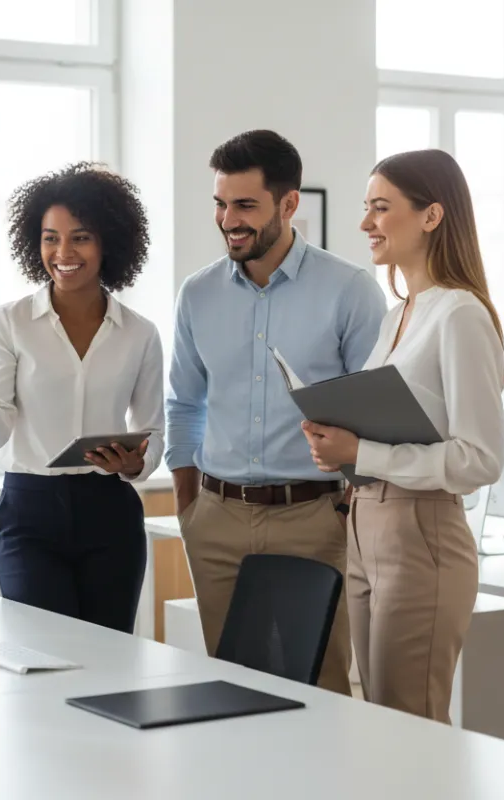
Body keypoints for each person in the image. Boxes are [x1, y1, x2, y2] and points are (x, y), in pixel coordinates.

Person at [166, 130, 387, 695]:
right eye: (220, 203)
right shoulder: (197, 295)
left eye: (245, 205)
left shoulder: (350, 291)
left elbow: (375, 415)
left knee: (323, 685)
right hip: (216, 516)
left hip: (315, 519)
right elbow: (185, 402)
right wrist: (189, 503)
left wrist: (346, 507)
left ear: (289, 204)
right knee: (230, 685)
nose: (228, 219)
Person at [301, 148, 504, 722]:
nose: (366, 224)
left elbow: (481, 459)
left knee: (410, 720)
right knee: (381, 720)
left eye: (381, 208)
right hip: (366, 524)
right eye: (367, 208)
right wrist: (338, 445)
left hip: (422, 531)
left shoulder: (460, 314)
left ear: (431, 216)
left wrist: (361, 451)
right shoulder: (399, 315)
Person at [0, 162, 164, 634]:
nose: (62, 252)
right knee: (42, 651)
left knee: (109, 657)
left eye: (80, 237)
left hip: (110, 514)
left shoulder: (140, 333)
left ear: (108, 243)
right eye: (49, 237)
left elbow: (154, 430)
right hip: (30, 512)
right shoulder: (10, 322)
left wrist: (133, 463)